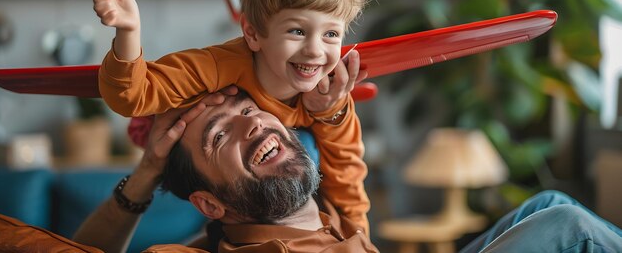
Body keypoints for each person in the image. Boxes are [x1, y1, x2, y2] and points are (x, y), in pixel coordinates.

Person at [68, 0, 372, 232]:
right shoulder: (217, 66)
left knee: (308, 147)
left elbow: (346, 174)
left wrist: (360, 238)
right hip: (176, 136)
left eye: (331, 34)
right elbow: (131, 95)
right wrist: (128, 32)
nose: (316, 51)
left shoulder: (331, 93)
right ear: (252, 34)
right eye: (297, 31)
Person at [73, 89, 622, 253]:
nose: (251, 126)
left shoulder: (331, 208)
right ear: (212, 205)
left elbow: (337, 135)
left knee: (546, 206)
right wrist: (147, 172)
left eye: (247, 111)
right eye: (220, 137)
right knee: (566, 227)